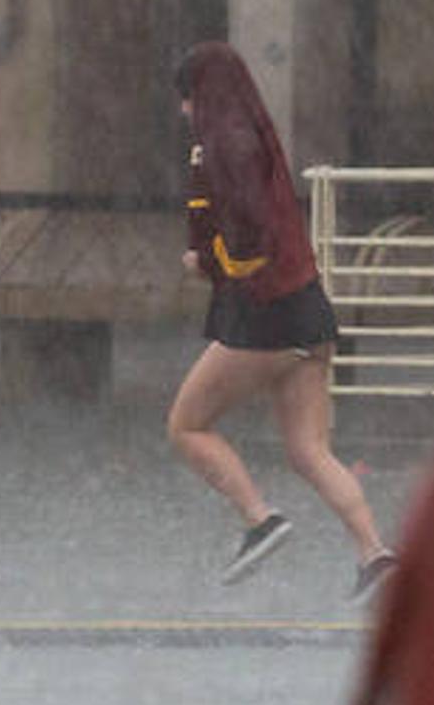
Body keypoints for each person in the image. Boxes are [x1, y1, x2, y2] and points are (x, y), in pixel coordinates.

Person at [169, 41, 394, 601]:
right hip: (309, 310)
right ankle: (375, 554)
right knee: (309, 451)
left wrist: (210, 261)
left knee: (187, 425)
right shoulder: (258, 132)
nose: (183, 112)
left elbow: (247, 233)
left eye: (186, 98)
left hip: (264, 313)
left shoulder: (225, 143)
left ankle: (259, 519)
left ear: (201, 95)